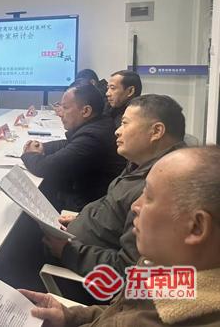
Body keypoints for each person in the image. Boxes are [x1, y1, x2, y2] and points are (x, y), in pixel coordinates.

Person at [21, 146, 220, 327]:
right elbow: (119, 312)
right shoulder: (167, 268)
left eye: (149, 197)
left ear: (196, 227)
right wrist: (69, 316)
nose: (135, 206)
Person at [43, 95, 186, 276]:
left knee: (17, 241)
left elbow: (128, 268)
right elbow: (114, 209)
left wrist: (67, 251)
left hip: (79, 270)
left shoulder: (159, 188)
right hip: (78, 241)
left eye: (125, 124)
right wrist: (82, 219)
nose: (117, 131)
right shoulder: (141, 163)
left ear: (156, 131)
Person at [22, 84, 126, 211]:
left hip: (86, 205)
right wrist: (43, 147)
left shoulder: (92, 137)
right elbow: (70, 144)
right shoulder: (99, 123)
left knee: (31, 195)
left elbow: (45, 167)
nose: (60, 114)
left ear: (86, 111)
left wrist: (29, 154)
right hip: (90, 194)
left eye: (65, 108)